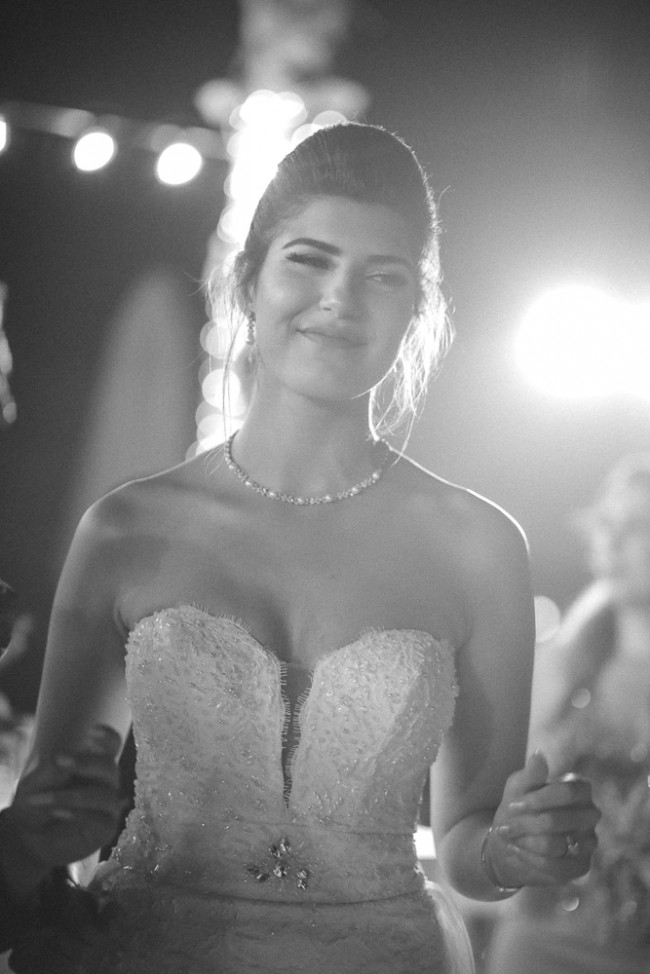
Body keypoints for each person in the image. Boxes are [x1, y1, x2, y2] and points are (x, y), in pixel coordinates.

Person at [0, 122, 599, 974]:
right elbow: (43, 828)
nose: (339, 299)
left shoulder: (480, 545)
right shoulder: (126, 530)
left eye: (382, 276)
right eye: (309, 260)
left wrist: (513, 850)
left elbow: (470, 842)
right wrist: (55, 836)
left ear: (417, 308)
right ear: (249, 280)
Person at [484, 454, 650, 974]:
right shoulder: (560, 666)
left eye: (639, 524)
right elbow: (496, 804)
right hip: (544, 938)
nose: (615, 541)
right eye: (608, 523)